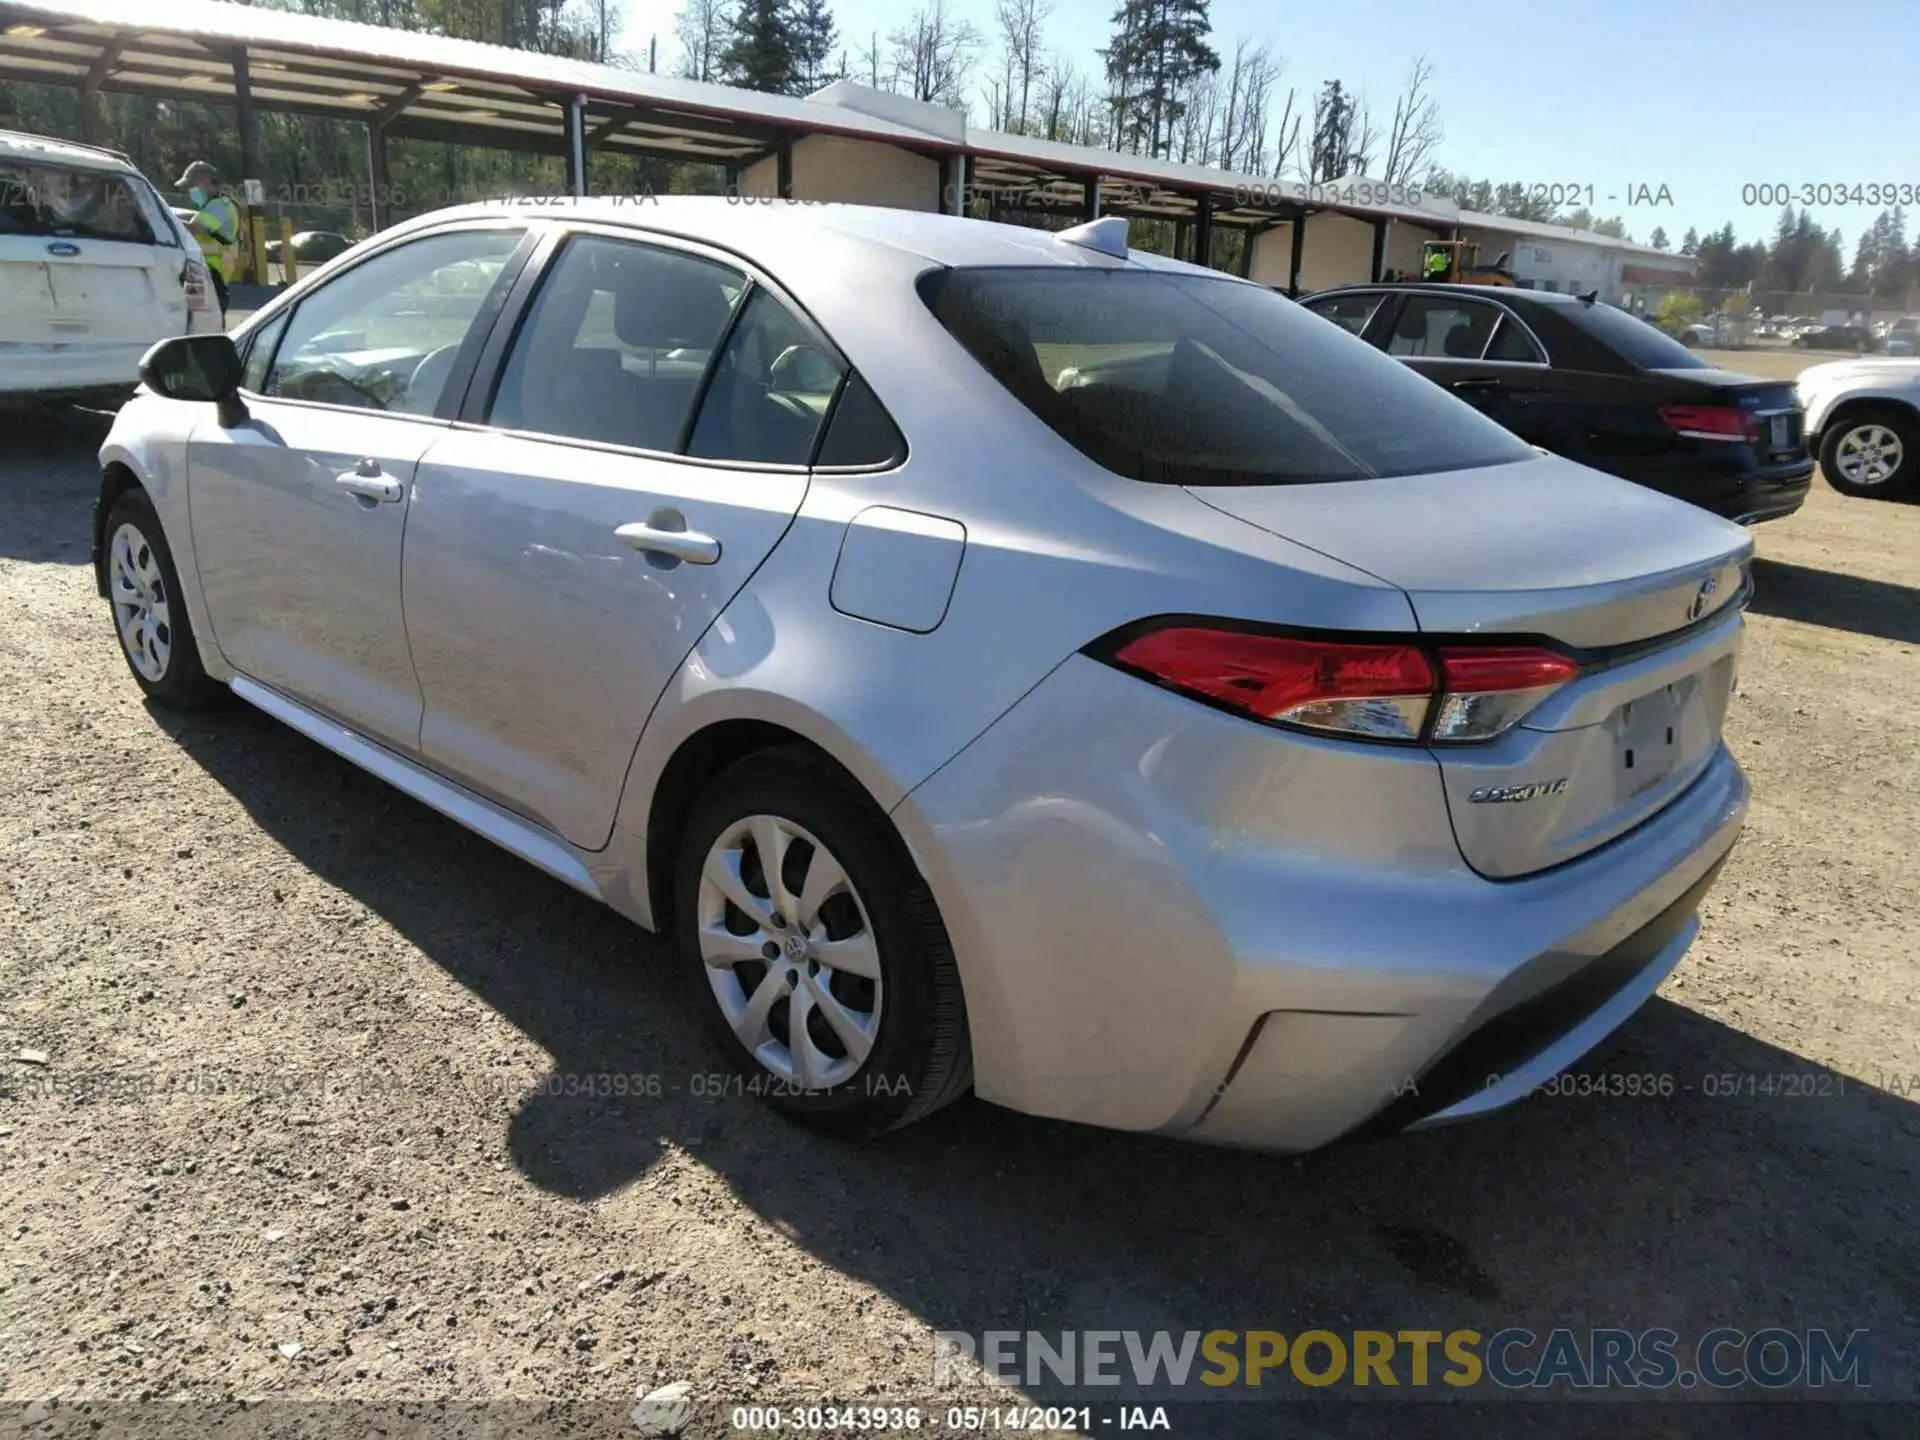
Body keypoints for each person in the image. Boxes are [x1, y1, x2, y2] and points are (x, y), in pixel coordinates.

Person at [176, 160, 241, 317]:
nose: (190, 191)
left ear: (204, 182)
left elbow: (194, 229)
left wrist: (166, 218)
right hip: (203, 274)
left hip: (211, 276)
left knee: (203, 322)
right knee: (195, 320)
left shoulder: (220, 206)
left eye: (192, 185)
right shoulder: (213, 206)